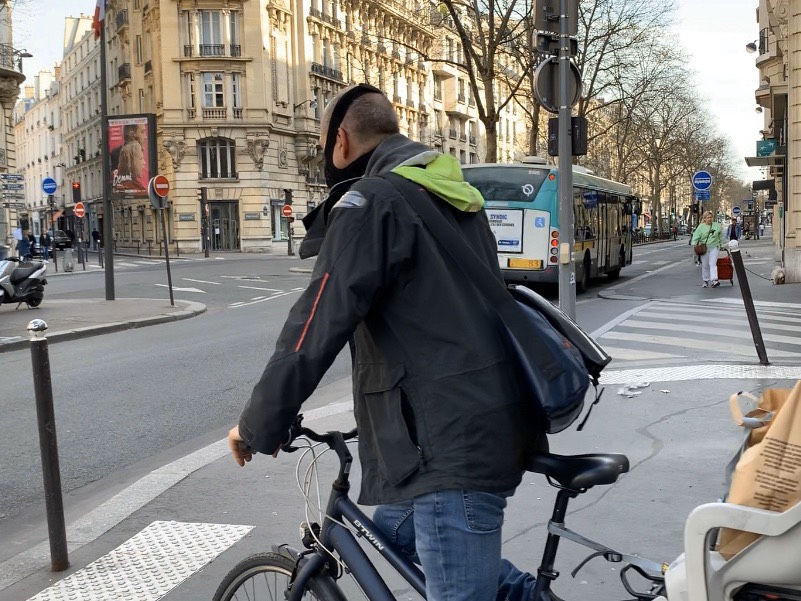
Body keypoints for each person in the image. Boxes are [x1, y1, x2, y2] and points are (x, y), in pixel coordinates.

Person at [226, 84, 543, 601]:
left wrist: (257, 422)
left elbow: (316, 321)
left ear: (342, 141)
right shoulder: (447, 193)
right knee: (392, 528)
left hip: (446, 447)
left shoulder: (371, 203)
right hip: (480, 422)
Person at [691, 210, 724, 287]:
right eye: (707, 218)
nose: (709, 219)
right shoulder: (701, 227)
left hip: (714, 246)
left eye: (711, 217)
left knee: (712, 263)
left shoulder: (717, 226)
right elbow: (696, 236)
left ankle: (714, 280)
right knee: (705, 265)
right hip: (704, 247)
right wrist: (694, 244)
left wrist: (721, 244)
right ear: (704, 219)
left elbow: (720, 236)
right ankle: (705, 280)